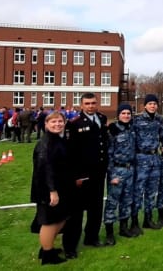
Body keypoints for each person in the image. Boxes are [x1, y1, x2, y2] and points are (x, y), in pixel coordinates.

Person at [62, 92, 108, 258]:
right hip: (82, 175)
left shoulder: (101, 119)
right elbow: (70, 152)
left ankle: (91, 237)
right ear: (81, 105)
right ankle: (70, 246)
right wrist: (76, 176)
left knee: (96, 208)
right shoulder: (74, 124)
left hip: (98, 172)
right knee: (76, 212)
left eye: (93, 103)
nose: (90, 106)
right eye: (87, 103)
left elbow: (103, 143)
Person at [30, 111, 72, 265]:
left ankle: (47, 247)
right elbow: (45, 169)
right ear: (46, 124)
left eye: (60, 121)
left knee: (60, 219)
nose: (57, 124)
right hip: (48, 189)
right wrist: (52, 191)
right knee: (49, 222)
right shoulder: (45, 143)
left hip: (60, 186)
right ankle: (47, 254)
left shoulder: (57, 140)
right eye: (53, 122)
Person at [103, 104, 136, 245]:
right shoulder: (113, 131)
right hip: (117, 171)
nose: (126, 115)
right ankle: (109, 233)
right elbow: (108, 155)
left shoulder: (132, 129)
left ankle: (124, 227)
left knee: (127, 201)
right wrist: (112, 175)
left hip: (130, 170)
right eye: (123, 113)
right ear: (118, 115)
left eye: (128, 113)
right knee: (112, 202)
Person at [131, 94, 162, 234]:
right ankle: (134, 222)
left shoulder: (159, 120)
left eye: (155, 104)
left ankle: (148, 219)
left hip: (155, 158)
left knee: (151, 192)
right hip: (141, 158)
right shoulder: (136, 121)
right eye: (150, 103)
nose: (153, 106)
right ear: (144, 106)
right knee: (138, 192)